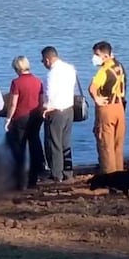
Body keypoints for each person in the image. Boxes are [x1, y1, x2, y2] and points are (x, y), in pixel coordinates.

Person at [4, 56, 45, 190]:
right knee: (34, 145)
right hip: (35, 117)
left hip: (20, 118)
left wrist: (8, 119)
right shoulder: (38, 81)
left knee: (19, 149)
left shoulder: (16, 82)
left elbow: (13, 103)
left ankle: (19, 181)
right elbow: (41, 101)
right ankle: (33, 180)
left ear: (17, 68)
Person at [40, 46, 77, 182]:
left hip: (56, 111)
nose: (44, 64)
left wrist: (46, 108)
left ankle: (56, 174)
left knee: (54, 143)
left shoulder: (52, 74)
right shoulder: (70, 68)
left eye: (43, 61)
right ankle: (68, 171)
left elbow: (49, 94)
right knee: (65, 142)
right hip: (69, 108)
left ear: (47, 60)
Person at [89, 41, 126, 174]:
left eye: (97, 54)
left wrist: (97, 100)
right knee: (118, 144)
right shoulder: (119, 66)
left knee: (106, 144)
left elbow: (92, 88)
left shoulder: (103, 71)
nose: (94, 57)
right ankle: (119, 171)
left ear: (105, 56)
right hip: (119, 107)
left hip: (107, 109)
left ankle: (109, 174)